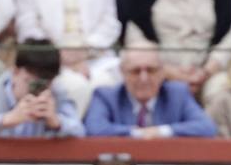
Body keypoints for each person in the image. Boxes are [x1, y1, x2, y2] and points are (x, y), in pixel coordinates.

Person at [83, 43, 217, 138]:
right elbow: (94, 128)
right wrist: (137, 133)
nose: (144, 78)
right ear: (122, 73)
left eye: (151, 70)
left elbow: (207, 127)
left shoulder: (178, 93)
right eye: (135, 71)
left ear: (162, 72)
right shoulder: (106, 96)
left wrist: (162, 132)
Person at [0, 39, 83, 139]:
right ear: (15, 72)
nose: (37, 90)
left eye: (45, 83)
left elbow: (81, 132)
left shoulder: (57, 95)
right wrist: (5, 120)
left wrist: (57, 123)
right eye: (31, 82)